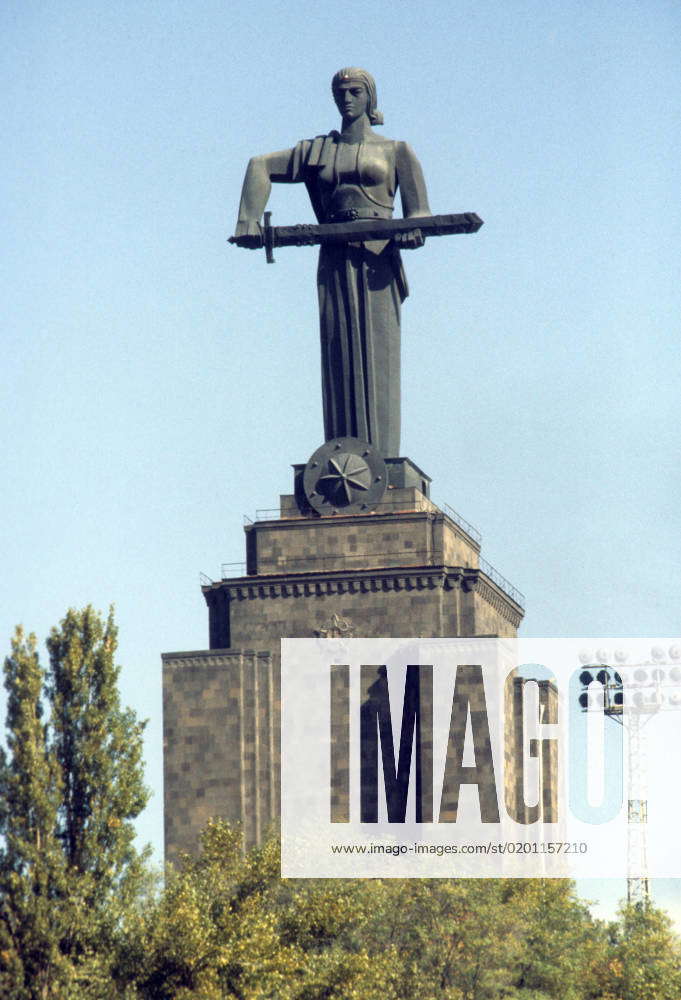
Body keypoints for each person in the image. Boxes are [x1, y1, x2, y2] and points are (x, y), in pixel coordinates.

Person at [234, 67, 430, 457]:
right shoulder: (317, 151)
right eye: (340, 92)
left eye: (356, 91)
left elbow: (421, 214)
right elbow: (260, 165)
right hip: (335, 259)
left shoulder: (396, 151)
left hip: (377, 261)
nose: (347, 98)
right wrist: (248, 220)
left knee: (379, 353)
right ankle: (343, 452)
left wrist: (412, 230)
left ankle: (381, 458)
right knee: (338, 348)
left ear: (370, 97)